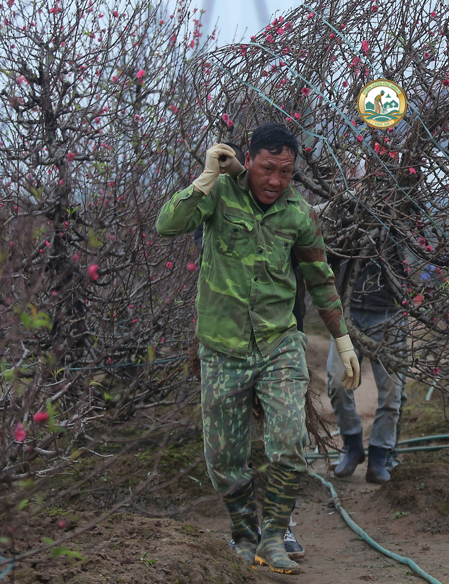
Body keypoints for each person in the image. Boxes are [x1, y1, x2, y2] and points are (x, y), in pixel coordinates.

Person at [156, 123, 360, 575]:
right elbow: (167, 223)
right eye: (267, 169)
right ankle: (244, 534)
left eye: (285, 172)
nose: (275, 181)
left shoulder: (300, 214)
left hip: (278, 342)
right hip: (222, 346)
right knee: (224, 458)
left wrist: (342, 340)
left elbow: (320, 280)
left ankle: (274, 535)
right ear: (248, 161)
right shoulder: (219, 195)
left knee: (289, 443)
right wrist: (207, 175)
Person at [327, 254, 406, 484]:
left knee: (392, 391)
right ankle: (352, 446)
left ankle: (379, 456)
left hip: (388, 312)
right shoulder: (341, 216)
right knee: (337, 382)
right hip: (348, 310)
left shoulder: (404, 218)